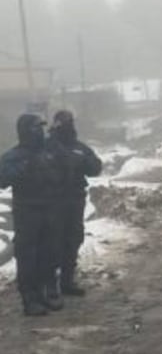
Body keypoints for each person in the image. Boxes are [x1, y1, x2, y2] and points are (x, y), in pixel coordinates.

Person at [0, 114, 71, 315]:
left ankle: (48, 292)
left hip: (50, 210)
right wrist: (26, 167)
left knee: (50, 252)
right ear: (25, 130)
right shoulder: (13, 155)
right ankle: (30, 299)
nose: (39, 131)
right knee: (28, 256)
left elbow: (67, 172)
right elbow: (2, 179)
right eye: (35, 127)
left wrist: (59, 151)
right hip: (27, 212)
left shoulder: (49, 151)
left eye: (41, 127)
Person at [49, 110, 102, 297]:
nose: (67, 125)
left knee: (73, 240)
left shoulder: (79, 147)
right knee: (52, 242)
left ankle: (67, 281)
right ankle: (48, 285)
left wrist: (82, 162)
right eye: (63, 122)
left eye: (70, 122)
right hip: (51, 203)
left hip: (74, 201)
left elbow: (96, 168)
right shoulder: (47, 147)